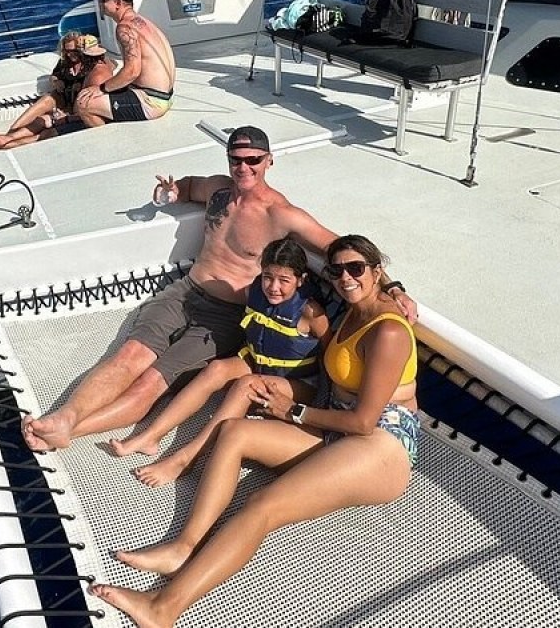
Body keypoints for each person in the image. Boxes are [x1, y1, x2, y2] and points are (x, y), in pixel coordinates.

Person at [90, 234, 420, 628]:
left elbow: (364, 421)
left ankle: (163, 609)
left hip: (380, 444)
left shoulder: (388, 331)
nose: (346, 277)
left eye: (356, 268)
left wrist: (292, 410)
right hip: (338, 427)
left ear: (376, 271)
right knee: (234, 432)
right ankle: (184, 546)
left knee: (263, 505)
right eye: (337, 270)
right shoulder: (354, 310)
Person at [21, 127, 413, 454]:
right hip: (185, 292)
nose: (244, 167)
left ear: (269, 160)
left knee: (152, 380)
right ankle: (64, 417)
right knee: (129, 354)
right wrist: (170, 192)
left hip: (225, 318)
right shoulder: (219, 190)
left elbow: (343, 249)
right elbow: (188, 186)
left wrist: (392, 287)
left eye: (253, 160)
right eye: (236, 159)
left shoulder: (281, 214)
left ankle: (68, 431)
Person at [109, 237, 329, 489]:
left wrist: (320, 405)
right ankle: (150, 437)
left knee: (247, 385)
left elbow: (329, 354)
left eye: (284, 280)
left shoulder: (311, 314)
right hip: (260, 364)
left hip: (298, 383)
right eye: (268, 277)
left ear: (300, 280)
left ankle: (186, 458)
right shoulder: (255, 291)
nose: (273, 287)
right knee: (216, 369)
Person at [0, 34, 112, 149]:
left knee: (48, 130)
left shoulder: (96, 73)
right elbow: (55, 75)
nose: (70, 54)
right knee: (42, 116)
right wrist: (56, 81)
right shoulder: (66, 63)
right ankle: (8, 136)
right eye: (67, 51)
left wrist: (66, 117)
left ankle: (6, 143)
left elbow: (88, 106)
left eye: (74, 51)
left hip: (77, 111)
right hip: (67, 102)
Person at [73, 0, 176, 127]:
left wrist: (101, 88)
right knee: (106, 90)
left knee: (84, 103)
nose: (100, 3)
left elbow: (132, 71)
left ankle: (110, 140)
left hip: (151, 101)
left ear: (118, 3)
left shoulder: (124, 28)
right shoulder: (143, 22)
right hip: (164, 95)